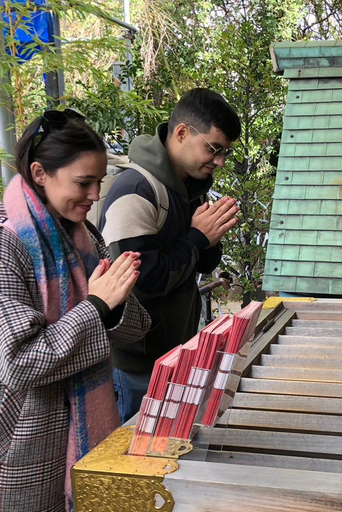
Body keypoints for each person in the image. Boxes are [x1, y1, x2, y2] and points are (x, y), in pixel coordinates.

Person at [0, 109, 151, 512]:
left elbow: (136, 327)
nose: (95, 196)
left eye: (99, 182)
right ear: (39, 173)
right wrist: (98, 305)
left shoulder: (83, 236)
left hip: (62, 425)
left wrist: (113, 304)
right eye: (83, 183)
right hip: (3, 434)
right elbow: (18, 364)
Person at [99, 88, 240, 423]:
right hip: (137, 366)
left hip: (177, 353)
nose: (219, 161)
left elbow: (201, 262)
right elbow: (143, 281)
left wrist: (210, 238)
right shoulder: (136, 191)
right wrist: (196, 237)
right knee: (128, 465)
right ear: (181, 133)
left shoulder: (192, 185)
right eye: (214, 148)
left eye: (225, 153)